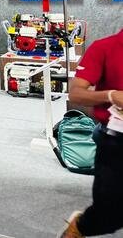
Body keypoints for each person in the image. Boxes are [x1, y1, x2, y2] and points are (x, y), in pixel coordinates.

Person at [59, 28, 123, 238]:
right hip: (115, 142)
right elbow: (76, 94)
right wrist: (111, 95)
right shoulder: (104, 47)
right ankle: (80, 226)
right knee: (108, 213)